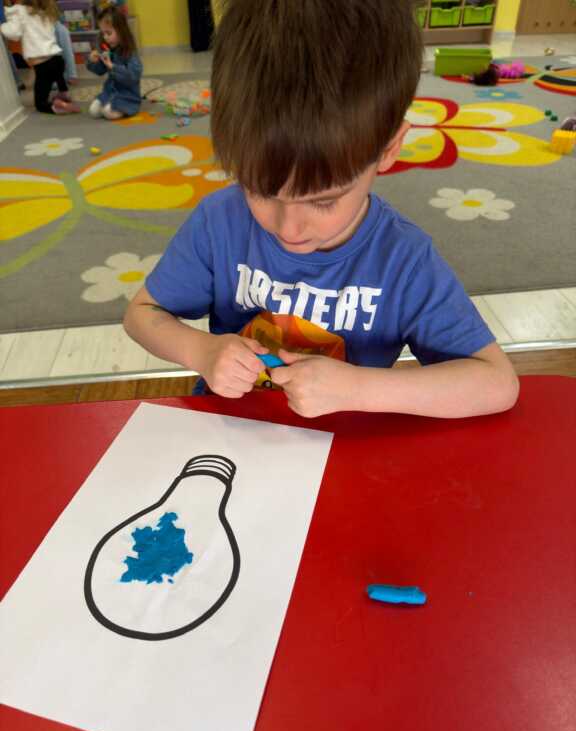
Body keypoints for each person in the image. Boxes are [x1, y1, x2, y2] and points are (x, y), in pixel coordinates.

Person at [124, 0, 519, 420]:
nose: (289, 228)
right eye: (260, 190)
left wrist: (359, 389)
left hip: (344, 443)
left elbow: (497, 383)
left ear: (389, 150)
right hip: (231, 429)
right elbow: (141, 315)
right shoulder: (218, 222)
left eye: (324, 200)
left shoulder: (403, 259)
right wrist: (201, 350)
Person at [0, 0, 79, 114]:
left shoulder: (21, 11)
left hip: (43, 66)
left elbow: (14, 34)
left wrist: (2, 26)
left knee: (40, 104)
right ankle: (64, 93)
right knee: (58, 76)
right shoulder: (46, 12)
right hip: (57, 59)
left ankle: (60, 106)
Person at [86, 5, 141, 120]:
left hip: (127, 95)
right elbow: (100, 71)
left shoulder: (130, 52)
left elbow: (133, 77)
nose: (105, 37)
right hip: (109, 92)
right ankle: (111, 104)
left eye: (109, 33)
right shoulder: (108, 49)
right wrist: (92, 61)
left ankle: (127, 107)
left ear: (121, 31)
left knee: (108, 112)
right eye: (103, 33)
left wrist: (112, 66)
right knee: (93, 111)